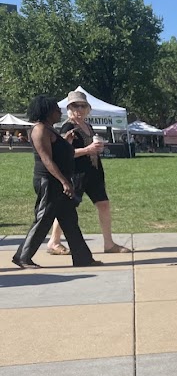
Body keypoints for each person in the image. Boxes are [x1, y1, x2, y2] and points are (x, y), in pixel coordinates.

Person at [12, 95, 101, 269]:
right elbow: (46, 159)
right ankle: (22, 256)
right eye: (55, 109)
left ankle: (83, 258)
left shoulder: (50, 129)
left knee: (69, 219)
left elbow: (59, 152)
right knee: (43, 218)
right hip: (49, 181)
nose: (59, 111)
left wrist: (66, 142)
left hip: (59, 181)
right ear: (46, 111)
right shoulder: (39, 130)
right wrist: (64, 182)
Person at [46, 91, 131, 255]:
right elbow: (64, 153)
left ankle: (109, 244)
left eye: (83, 105)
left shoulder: (88, 126)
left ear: (88, 108)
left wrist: (97, 148)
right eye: (75, 105)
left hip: (93, 172)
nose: (80, 109)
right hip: (76, 173)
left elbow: (91, 148)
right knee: (67, 208)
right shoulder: (68, 126)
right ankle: (54, 242)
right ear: (69, 108)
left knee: (104, 204)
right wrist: (88, 149)